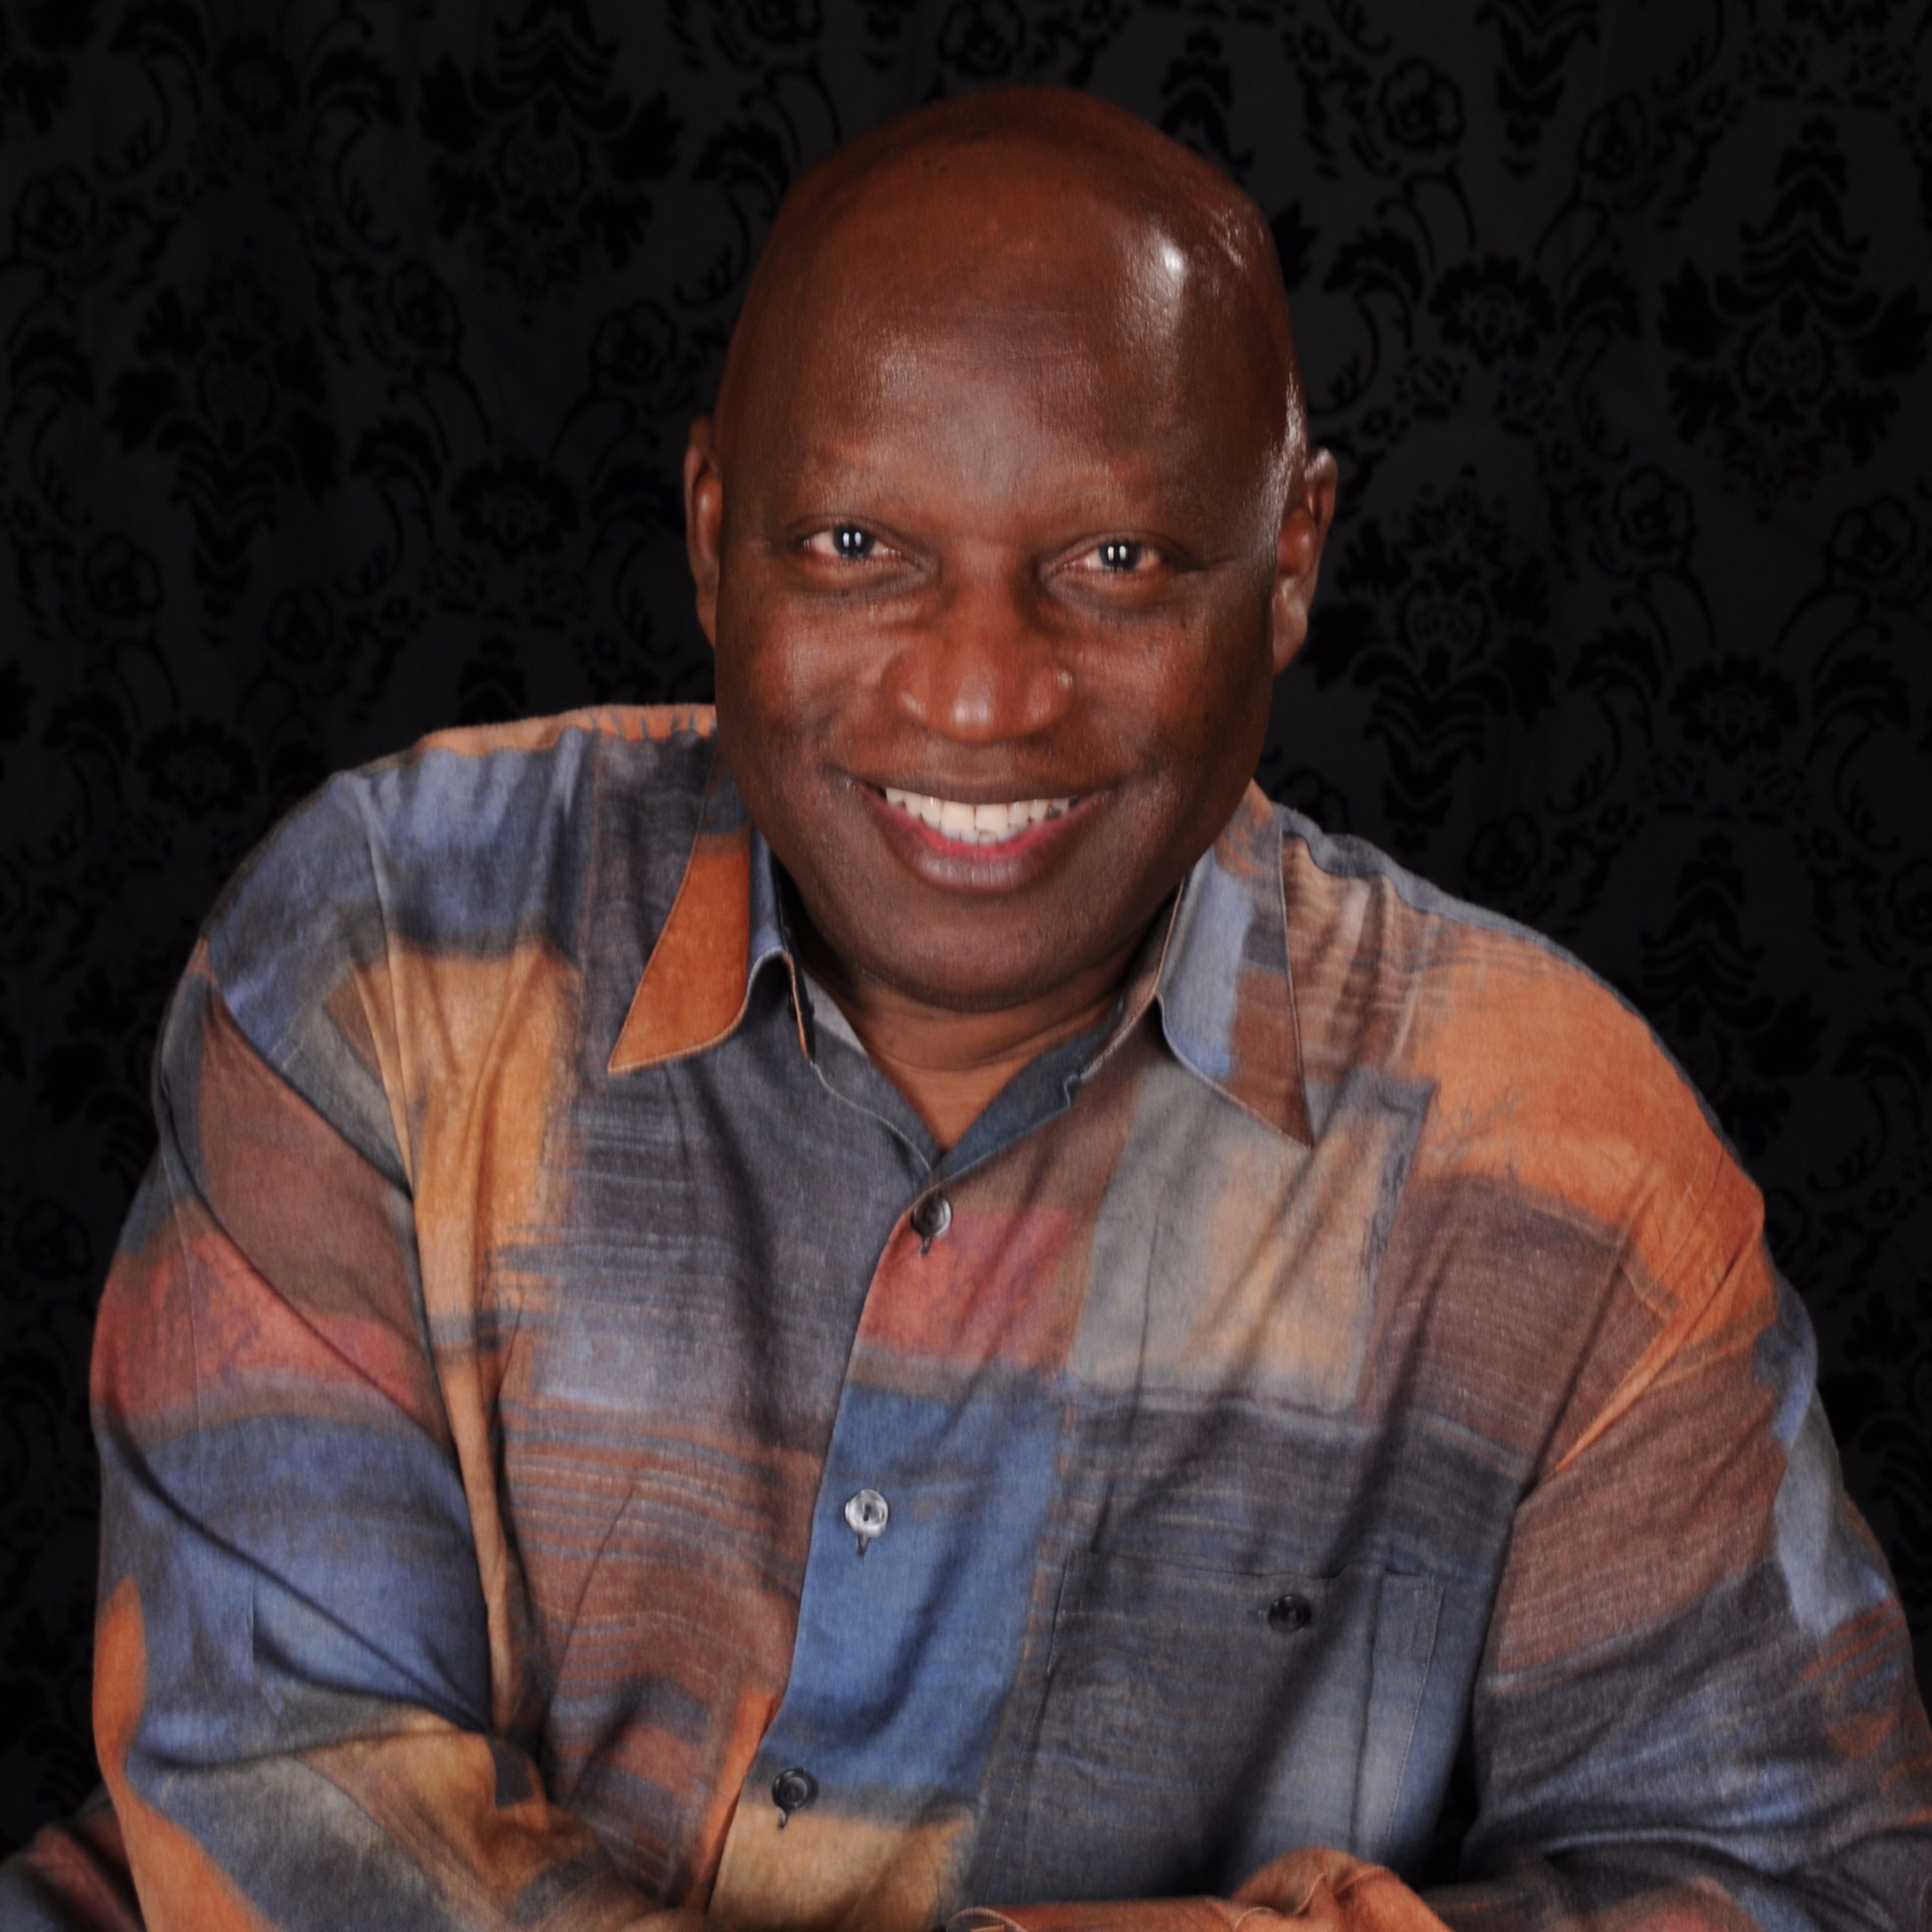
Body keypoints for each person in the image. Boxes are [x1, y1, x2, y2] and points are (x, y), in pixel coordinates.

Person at [3, 85, 1928, 1932]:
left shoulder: (1558, 1163)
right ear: (712, 535)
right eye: (858, 548)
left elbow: (1812, 1879)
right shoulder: (392, 950)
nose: (983, 692)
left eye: (1114, 563)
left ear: (1292, 560)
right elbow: (283, 1791)